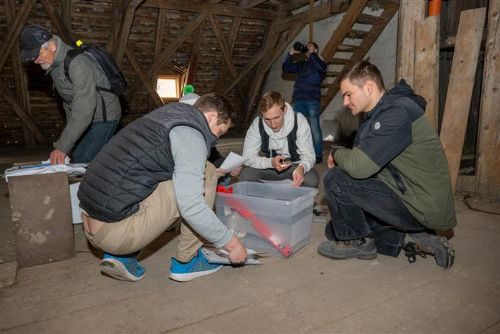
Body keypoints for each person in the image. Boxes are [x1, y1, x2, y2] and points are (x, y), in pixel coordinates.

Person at [77, 94, 248, 282]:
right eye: (219, 132)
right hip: (113, 234)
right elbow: (191, 206)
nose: (216, 138)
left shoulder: (167, 115)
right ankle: (187, 262)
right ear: (211, 117)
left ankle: (122, 255)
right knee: (206, 173)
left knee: (179, 176)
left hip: (92, 221)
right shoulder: (192, 134)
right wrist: (232, 245)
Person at [317, 60, 456, 268]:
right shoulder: (379, 114)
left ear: (369, 87)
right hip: (407, 195)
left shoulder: (395, 113)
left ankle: (358, 242)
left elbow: (360, 166)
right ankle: (411, 239)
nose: (345, 102)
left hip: (422, 206)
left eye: (348, 94)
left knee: (336, 180)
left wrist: (336, 153)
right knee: (334, 230)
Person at [20, 25, 121, 164]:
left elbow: (84, 108)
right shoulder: (54, 65)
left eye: (39, 54)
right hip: (86, 116)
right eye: (32, 57)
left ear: (53, 46)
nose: (36, 60)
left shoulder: (78, 64)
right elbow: (68, 100)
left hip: (104, 116)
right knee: (76, 156)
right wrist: (68, 138)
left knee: (84, 160)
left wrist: (62, 147)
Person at [240, 91, 319, 188]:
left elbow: (309, 155)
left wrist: (302, 168)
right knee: (246, 175)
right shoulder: (257, 124)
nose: (273, 124)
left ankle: (275, 194)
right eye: (267, 119)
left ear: (284, 110)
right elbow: (247, 157)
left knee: (311, 180)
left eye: (277, 117)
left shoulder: (299, 121)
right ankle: (270, 196)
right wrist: (271, 162)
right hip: (269, 167)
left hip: (295, 167)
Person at [282, 41, 327, 164]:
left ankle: (318, 155)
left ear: (316, 50)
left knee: (314, 128)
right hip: (298, 99)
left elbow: (321, 67)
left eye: (311, 46)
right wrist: (291, 53)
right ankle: (295, 154)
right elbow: (286, 68)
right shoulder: (301, 64)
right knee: (295, 127)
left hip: (312, 99)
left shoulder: (319, 62)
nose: (307, 47)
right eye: (306, 46)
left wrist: (312, 54)